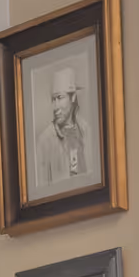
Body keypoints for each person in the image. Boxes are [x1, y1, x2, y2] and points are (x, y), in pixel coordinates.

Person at [31, 64, 90, 192]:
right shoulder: (44, 141)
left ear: (73, 97)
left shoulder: (86, 130)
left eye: (60, 97)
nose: (55, 106)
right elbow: (41, 191)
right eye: (53, 99)